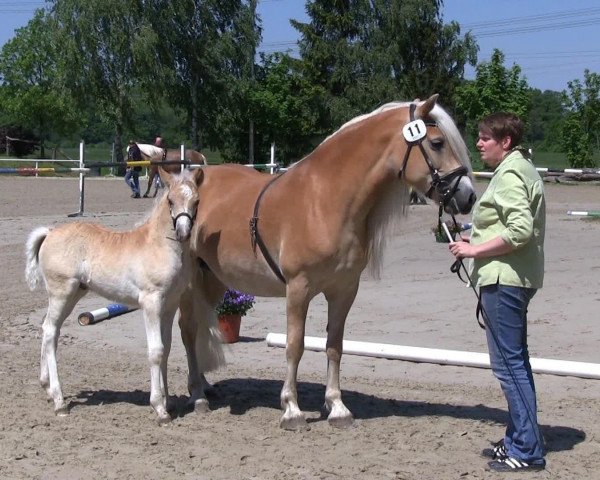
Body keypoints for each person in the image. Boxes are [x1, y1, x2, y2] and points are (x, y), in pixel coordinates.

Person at [448, 112, 546, 472]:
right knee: (514, 363)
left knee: (509, 366)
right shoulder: (519, 169)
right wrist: (473, 237)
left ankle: (526, 450)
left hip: (505, 280)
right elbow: (508, 226)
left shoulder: (510, 175)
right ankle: (521, 438)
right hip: (511, 276)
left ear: (505, 142)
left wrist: (473, 250)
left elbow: (520, 231)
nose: (478, 143)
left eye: (485, 138)